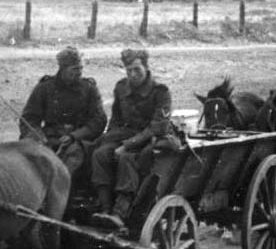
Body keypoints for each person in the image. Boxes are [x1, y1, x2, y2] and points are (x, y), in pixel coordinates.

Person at [91, 49, 179, 228]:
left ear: (146, 68)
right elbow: (116, 119)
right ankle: (105, 208)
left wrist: (127, 145)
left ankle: (120, 213)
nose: (133, 74)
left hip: (152, 138)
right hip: (126, 136)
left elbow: (158, 126)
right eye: (129, 70)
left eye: (137, 69)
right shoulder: (121, 88)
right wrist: (109, 139)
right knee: (99, 154)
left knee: (127, 158)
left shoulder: (160, 92)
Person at [19, 46, 107, 173]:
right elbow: (28, 119)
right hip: (49, 137)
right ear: (63, 69)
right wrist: (38, 137)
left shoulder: (89, 89)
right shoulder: (45, 88)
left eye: (81, 68)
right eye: (75, 69)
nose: (80, 72)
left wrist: (74, 136)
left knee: (72, 156)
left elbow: (98, 121)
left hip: (79, 140)